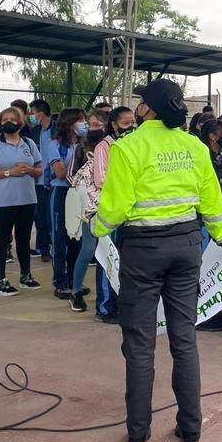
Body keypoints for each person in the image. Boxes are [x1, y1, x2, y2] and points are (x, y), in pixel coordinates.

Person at [93, 80, 222, 442]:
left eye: (141, 101)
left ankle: (138, 434)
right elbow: (211, 201)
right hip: (186, 247)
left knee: (139, 344)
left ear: (149, 109)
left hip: (143, 250)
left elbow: (115, 207)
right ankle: (191, 429)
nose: (137, 107)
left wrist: (96, 227)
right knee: (183, 338)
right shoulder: (195, 146)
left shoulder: (128, 147)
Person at [0, 107, 43, 297]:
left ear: (20, 123)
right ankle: (1, 281)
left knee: (24, 239)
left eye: (13, 119)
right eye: (5, 119)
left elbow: (40, 168)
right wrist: (9, 172)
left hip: (27, 199)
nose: (8, 122)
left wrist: (30, 170)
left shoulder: (28, 143)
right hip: (3, 201)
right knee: (2, 239)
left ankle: (25, 275)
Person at [89, 106, 136, 323]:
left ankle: (122, 303)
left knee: (125, 259)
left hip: (129, 210)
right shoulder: (104, 146)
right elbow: (100, 180)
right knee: (109, 256)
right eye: (126, 123)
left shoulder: (134, 144)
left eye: (133, 122)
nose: (131, 127)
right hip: (110, 210)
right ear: (114, 125)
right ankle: (105, 306)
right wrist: (126, 185)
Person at [47, 107, 86, 306]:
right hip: (61, 193)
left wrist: (70, 165)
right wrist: (79, 164)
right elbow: (60, 172)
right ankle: (60, 281)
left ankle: (74, 278)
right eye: (80, 120)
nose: (83, 124)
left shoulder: (84, 144)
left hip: (79, 193)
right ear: (69, 123)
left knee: (77, 237)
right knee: (60, 237)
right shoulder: (54, 145)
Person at [69, 130, 108, 312]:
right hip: (91, 213)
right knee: (88, 249)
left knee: (97, 251)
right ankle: (76, 291)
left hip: (107, 213)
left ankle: (80, 289)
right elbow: (79, 190)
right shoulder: (89, 167)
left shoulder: (105, 162)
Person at [28, 99, 54, 262]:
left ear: (42, 113)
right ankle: (43, 248)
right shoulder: (35, 131)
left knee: (53, 217)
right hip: (38, 180)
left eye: (32, 113)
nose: (31, 116)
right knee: (40, 216)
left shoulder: (57, 129)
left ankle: (56, 246)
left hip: (55, 180)